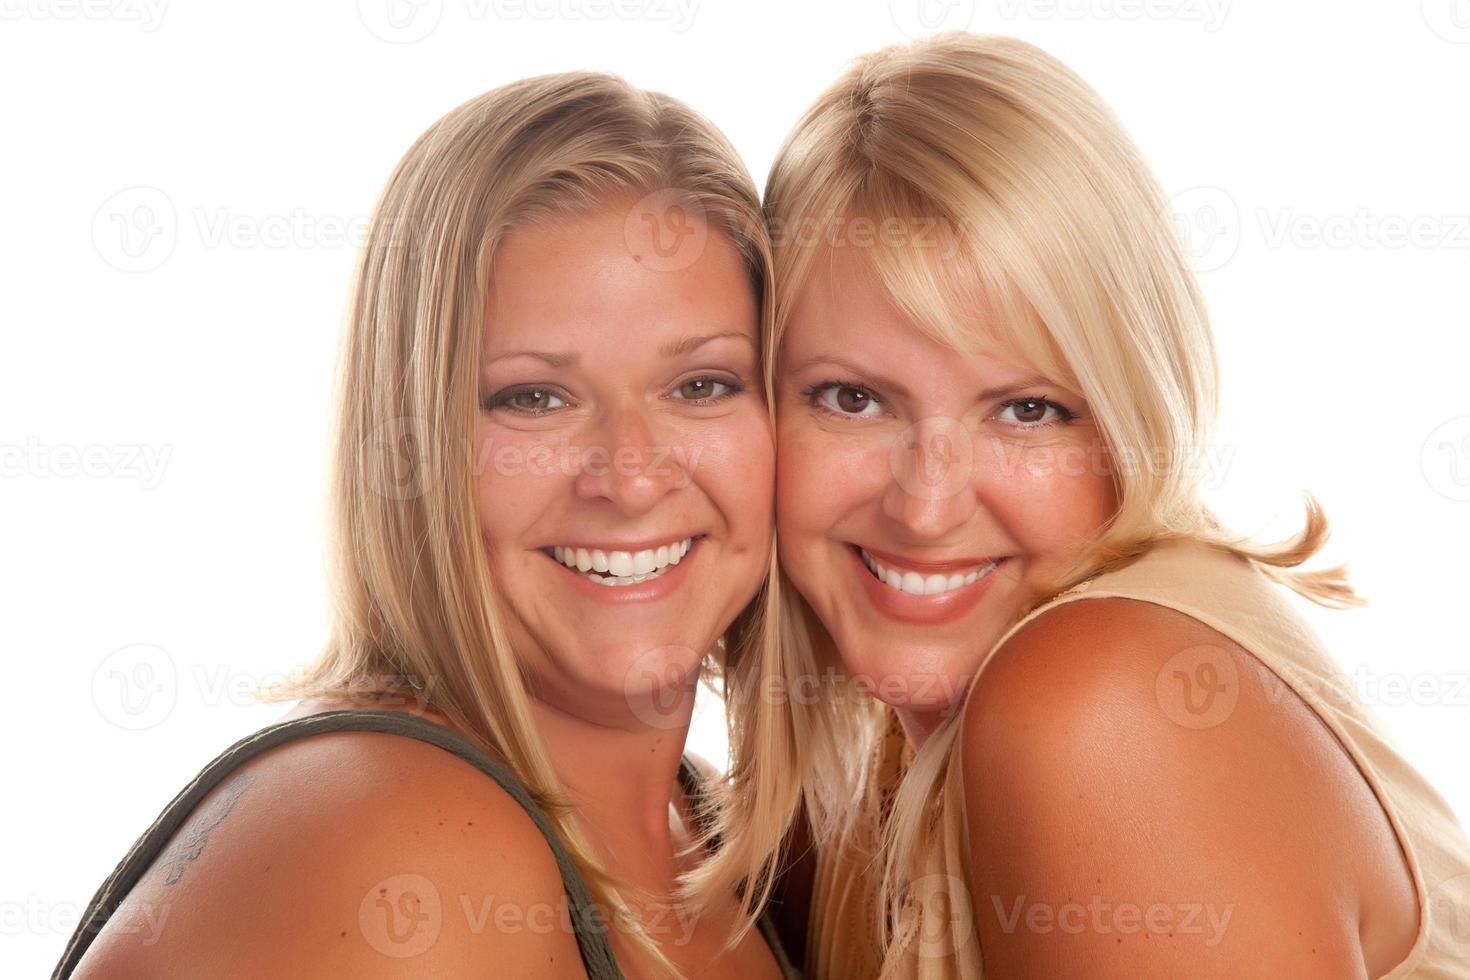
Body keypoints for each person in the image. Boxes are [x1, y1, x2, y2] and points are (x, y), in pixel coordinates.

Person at [735, 31, 1470, 978]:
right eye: (853, 398)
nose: (924, 505)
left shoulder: (1101, 705)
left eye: (1028, 411)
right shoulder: (850, 776)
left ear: (1132, 425)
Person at [56, 71, 797, 980]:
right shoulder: (404, 853)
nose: (633, 477)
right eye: (533, 398)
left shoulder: (717, 834)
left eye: (701, 385)